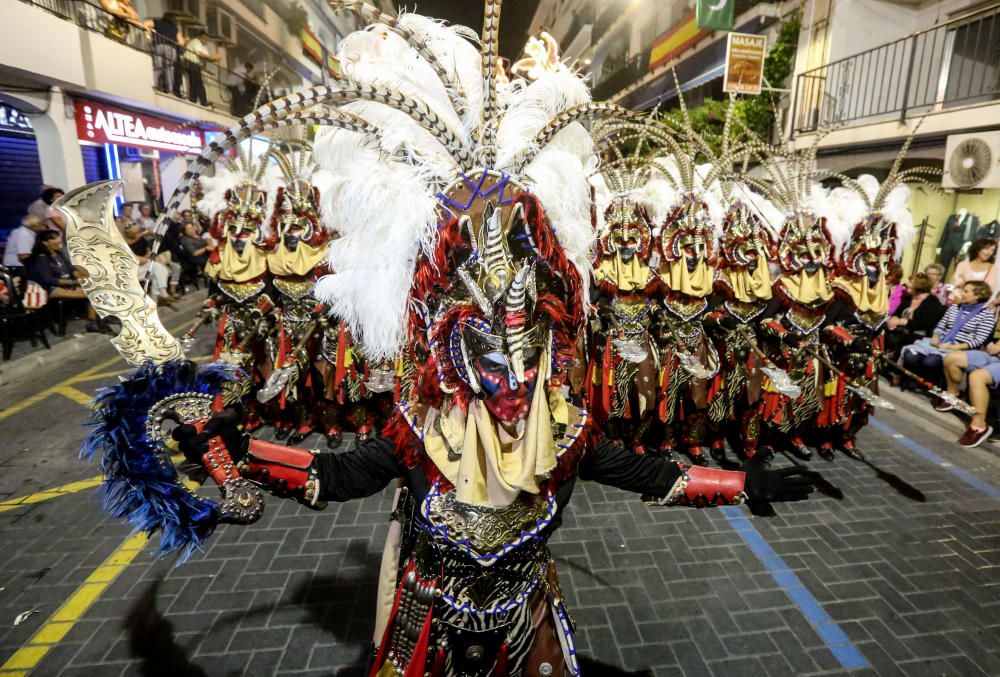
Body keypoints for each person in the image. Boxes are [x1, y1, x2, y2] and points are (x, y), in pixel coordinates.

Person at [901, 280, 995, 381]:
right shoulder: (955, 307)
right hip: (941, 342)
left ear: (978, 296)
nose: (961, 294)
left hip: (960, 348)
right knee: (910, 356)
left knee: (931, 362)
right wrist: (936, 337)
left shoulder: (987, 315)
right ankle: (916, 380)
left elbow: (978, 340)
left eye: (966, 291)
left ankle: (932, 384)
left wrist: (953, 347)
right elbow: (941, 325)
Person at [26, 230, 107, 333]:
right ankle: (93, 322)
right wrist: (74, 283)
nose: (59, 240)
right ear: (45, 242)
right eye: (54, 238)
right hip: (49, 289)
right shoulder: (41, 258)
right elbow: (49, 280)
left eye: (59, 237)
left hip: (66, 283)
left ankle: (95, 320)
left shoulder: (59, 253)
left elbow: (71, 270)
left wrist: (81, 279)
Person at [939, 340, 1000, 447]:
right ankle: (952, 397)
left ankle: (979, 425)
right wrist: (994, 346)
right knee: (951, 358)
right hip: (994, 356)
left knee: (977, 377)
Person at [885, 272, 946, 360]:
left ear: (920, 286)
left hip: (920, 334)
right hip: (901, 330)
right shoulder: (908, 297)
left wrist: (903, 322)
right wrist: (894, 318)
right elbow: (897, 313)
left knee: (901, 339)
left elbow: (925, 324)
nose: (908, 284)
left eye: (911, 283)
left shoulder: (932, 302)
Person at [123, 223, 175, 306]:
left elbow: (148, 250)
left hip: (145, 263)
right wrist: (145, 259)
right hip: (134, 269)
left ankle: (157, 297)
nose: (137, 233)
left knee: (160, 271)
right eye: (135, 232)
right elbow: (136, 259)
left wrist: (148, 255)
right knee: (159, 271)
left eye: (138, 231)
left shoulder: (141, 239)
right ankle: (162, 294)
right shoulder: (125, 244)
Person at [949, 238, 1000, 303]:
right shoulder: (962, 265)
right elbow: (957, 284)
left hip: (978, 306)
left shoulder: (994, 269)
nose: (989, 253)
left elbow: (989, 289)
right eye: (986, 248)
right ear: (978, 249)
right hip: (957, 301)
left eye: (992, 250)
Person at [183, 30, 222, 106]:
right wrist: (213, 57)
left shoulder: (203, 46)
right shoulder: (196, 42)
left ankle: (193, 99)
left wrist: (214, 58)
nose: (205, 41)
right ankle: (203, 101)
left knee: (194, 82)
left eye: (206, 39)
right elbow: (201, 54)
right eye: (204, 38)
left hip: (194, 63)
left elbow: (206, 58)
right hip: (190, 62)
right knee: (199, 82)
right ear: (200, 37)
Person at [148, 13, 184, 96]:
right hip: (171, 49)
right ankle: (169, 90)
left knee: (158, 66)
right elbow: (181, 42)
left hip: (159, 45)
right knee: (169, 70)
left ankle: (155, 84)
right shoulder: (175, 29)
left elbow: (146, 23)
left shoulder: (157, 22)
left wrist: (148, 34)